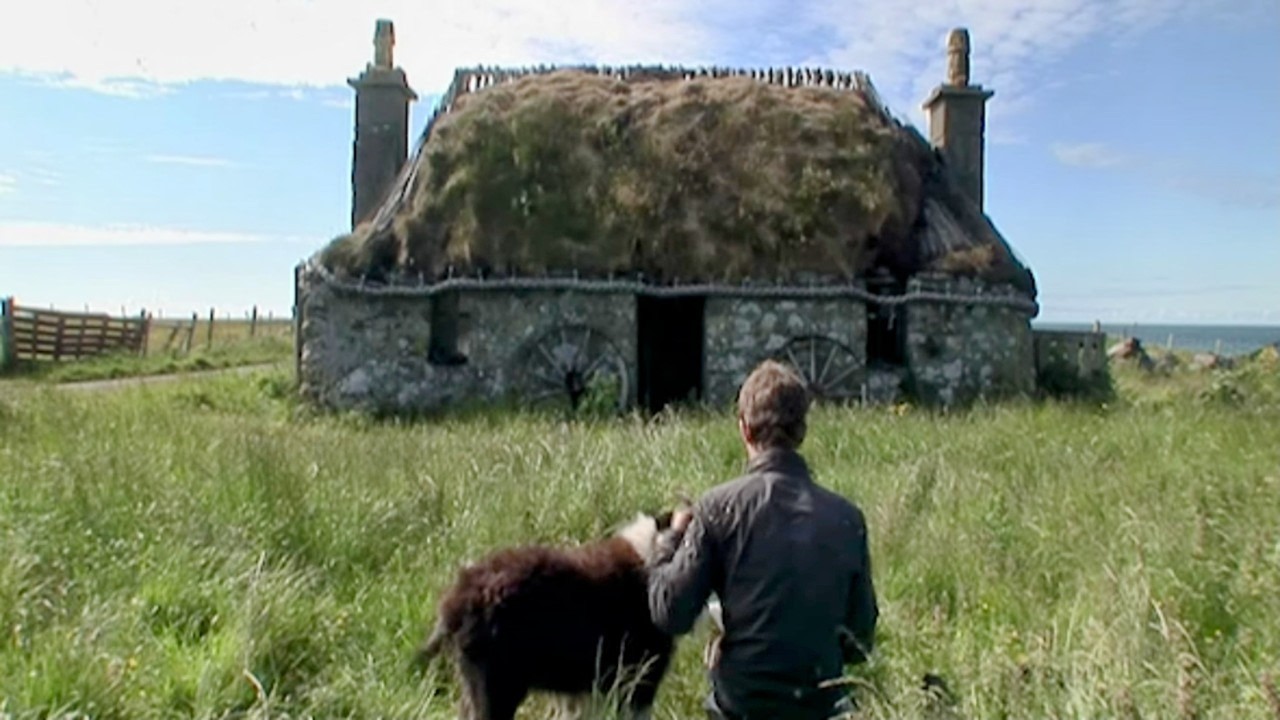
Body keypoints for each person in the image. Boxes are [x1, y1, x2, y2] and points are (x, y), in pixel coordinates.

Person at [647, 360, 879, 719]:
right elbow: (859, 643)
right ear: (802, 430)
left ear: (744, 429)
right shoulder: (847, 518)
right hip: (817, 706)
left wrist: (670, 539)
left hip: (742, 706)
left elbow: (670, 613)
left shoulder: (716, 508)